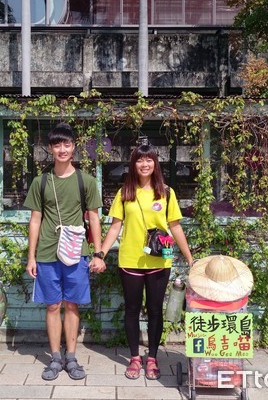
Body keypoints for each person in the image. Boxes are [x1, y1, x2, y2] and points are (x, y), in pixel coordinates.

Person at [99, 143, 194, 380]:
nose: (144, 164)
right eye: (140, 160)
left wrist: (191, 258)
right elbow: (115, 227)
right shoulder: (125, 193)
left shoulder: (166, 192)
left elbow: (175, 226)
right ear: (133, 164)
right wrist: (100, 252)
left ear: (155, 163)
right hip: (130, 259)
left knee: (154, 311)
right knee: (131, 310)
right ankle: (133, 358)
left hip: (159, 261)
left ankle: (152, 358)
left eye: (149, 160)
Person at [24, 122, 106, 381]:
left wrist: (98, 252)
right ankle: (55, 358)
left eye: (67, 144)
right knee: (52, 306)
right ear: (50, 149)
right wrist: (31, 256)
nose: (62, 149)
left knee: (72, 305)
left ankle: (71, 357)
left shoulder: (87, 181)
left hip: (76, 252)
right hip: (47, 253)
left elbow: (94, 219)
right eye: (57, 144)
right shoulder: (41, 181)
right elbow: (35, 220)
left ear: (74, 147)